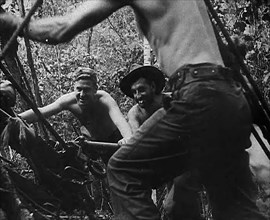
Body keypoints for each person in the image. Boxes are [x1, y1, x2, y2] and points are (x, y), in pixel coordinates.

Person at [0, 1, 267, 219]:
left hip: (198, 93)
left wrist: (11, 22)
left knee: (123, 171)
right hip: (231, 96)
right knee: (235, 207)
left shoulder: (106, 99)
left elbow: (62, 29)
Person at [19, 67, 132, 144]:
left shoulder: (104, 98)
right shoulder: (68, 100)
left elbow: (119, 120)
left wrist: (127, 138)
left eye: (87, 90)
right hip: (93, 141)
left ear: (95, 90)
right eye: (79, 89)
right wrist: (15, 117)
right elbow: (41, 112)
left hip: (114, 138)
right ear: (74, 88)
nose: (82, 94)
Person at [120, 64, 165, 133]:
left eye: (141, 90)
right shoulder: (135, 113)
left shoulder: (171, 103)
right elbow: (136, 138)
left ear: (152, 87)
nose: (138, 96)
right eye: (134, 92)